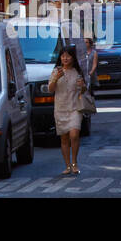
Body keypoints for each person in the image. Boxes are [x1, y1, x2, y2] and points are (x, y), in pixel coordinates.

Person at [48, 47, 87, 176]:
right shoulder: (56, 71)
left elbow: (84, 91)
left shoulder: (77, 72)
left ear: (73, 58)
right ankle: (67, 165)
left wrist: (82, 87)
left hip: (75, 108)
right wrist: (56, 78)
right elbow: (50, 89)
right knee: (64, 138)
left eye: (68, 56)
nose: (65, 58)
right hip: (60, 109)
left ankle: (75, 163)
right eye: (63, 56)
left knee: (74, 135)